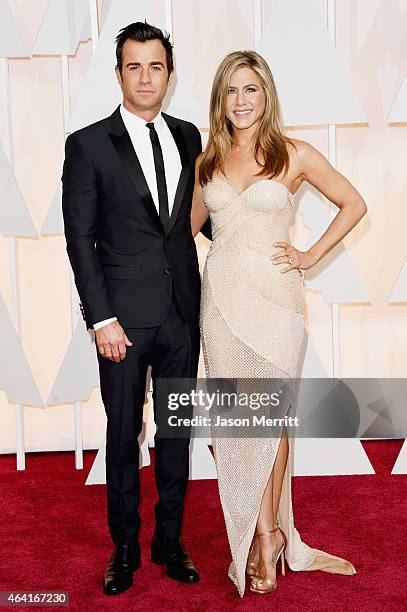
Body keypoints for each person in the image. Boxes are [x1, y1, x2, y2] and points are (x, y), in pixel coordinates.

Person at [191, 50, 366, 597]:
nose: (240, 102)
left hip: (277, 306)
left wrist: (310, 256)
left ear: (266, 95)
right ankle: (266, 535)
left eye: (251, 90)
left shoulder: (293, 154)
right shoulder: (208, 160)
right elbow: (187, 227)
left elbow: (353, 203)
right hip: (221, 306)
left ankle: (270, 538)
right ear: (220, 99)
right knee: (239, 424)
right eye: (231, 91)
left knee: (271, 419)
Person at [62, 22, 208, 595]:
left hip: (181, 316)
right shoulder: (89, 144)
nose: (146, 77)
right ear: (119, 72)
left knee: (177, 432)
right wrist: (101, 319)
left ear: (170, 75)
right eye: (134, 66)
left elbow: (204, 216)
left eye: (156, 66)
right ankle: (123, 549)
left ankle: (169, 541)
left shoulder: (191, 136)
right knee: (123, 435)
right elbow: (81, 240)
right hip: (121, 321)